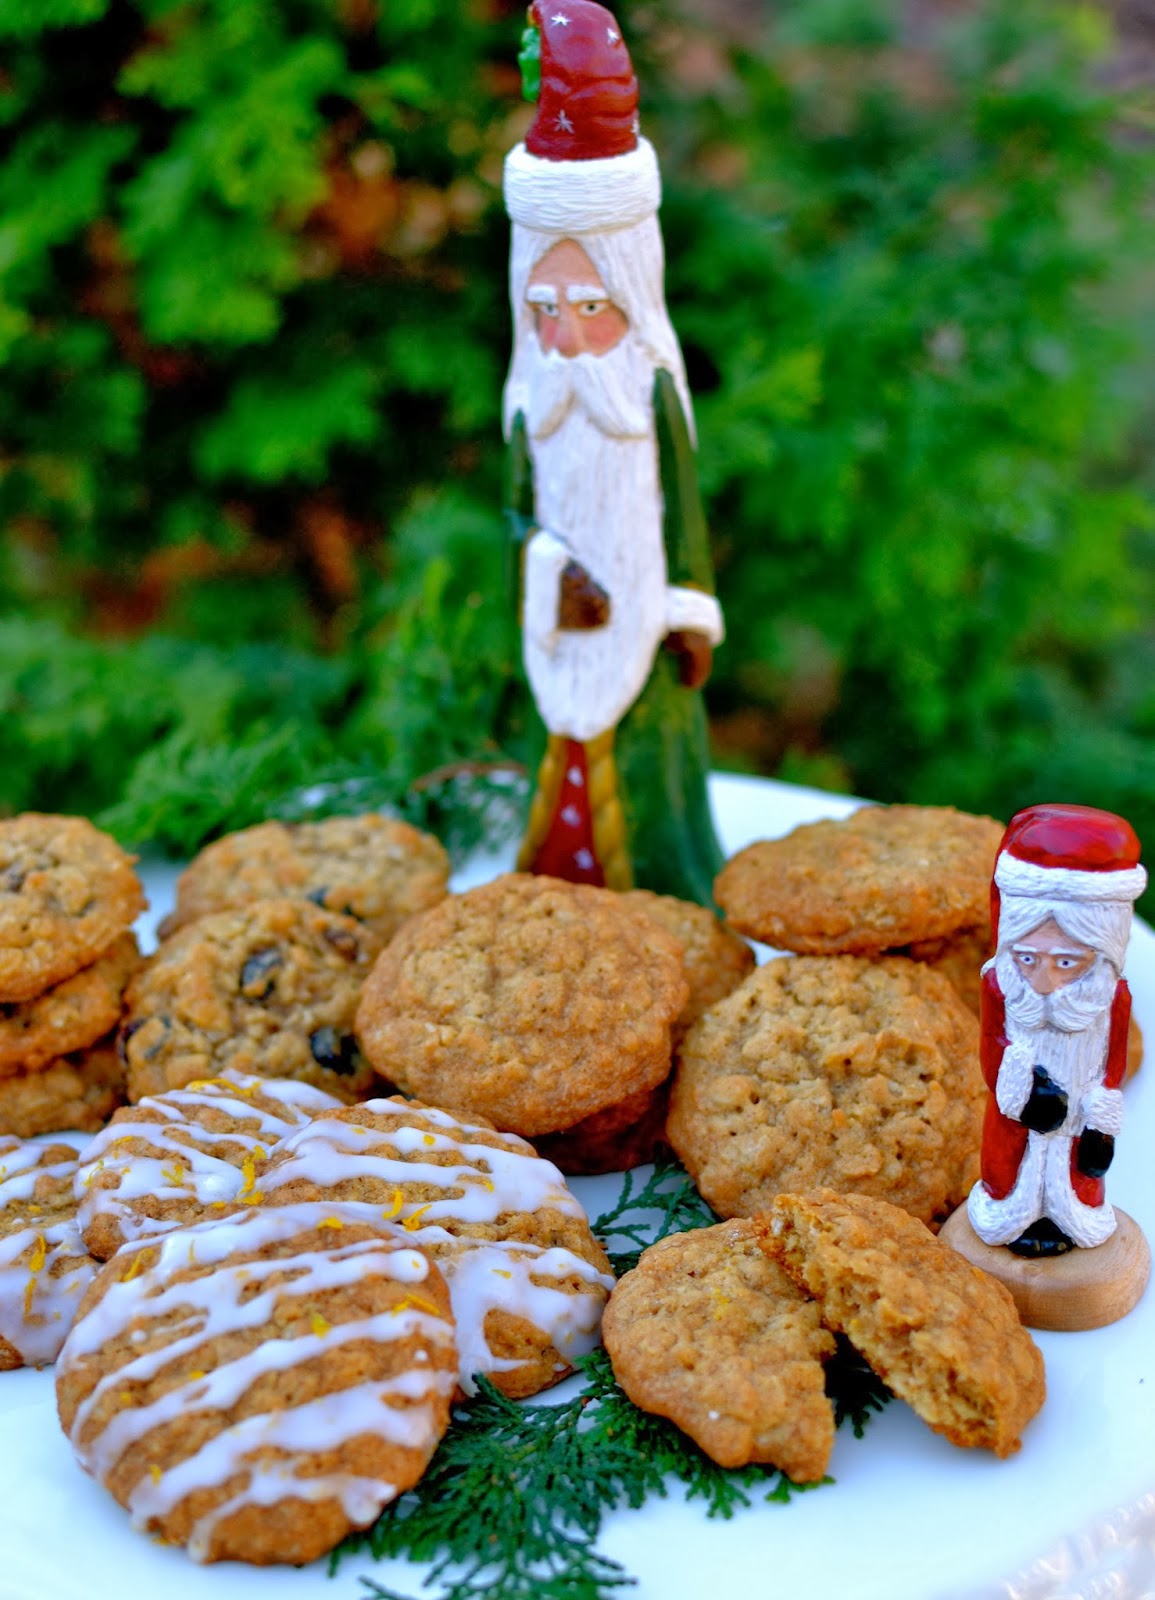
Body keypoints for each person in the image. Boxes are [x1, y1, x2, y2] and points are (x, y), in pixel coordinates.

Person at [502, 0, 725, 904]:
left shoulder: (648, 392)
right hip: (559, 636)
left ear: (628, 303)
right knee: (552, 762)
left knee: (649, 772)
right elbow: (518, 511)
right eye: (545, 308)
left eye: (589, 309)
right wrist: (546, 567)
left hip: (643, 624)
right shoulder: (529, 401)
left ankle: (670, 895)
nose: (564, 333)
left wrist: (687, 608)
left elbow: (683, 509)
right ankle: (543, 878)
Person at [967, 803, 1146, 1256]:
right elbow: (992, 1049)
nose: (1044, 983)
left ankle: (1068, 1221)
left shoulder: (1111, 996)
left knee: (1075, 1175)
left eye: (1066, 962)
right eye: (1028, 959)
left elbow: (1114, 1062)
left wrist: (1102, 1108)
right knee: (1012, 1170)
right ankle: (1015, 1217)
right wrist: (1021, 1090)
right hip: (1015, 1116)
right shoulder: (1000, 984)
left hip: (1081, 1113)